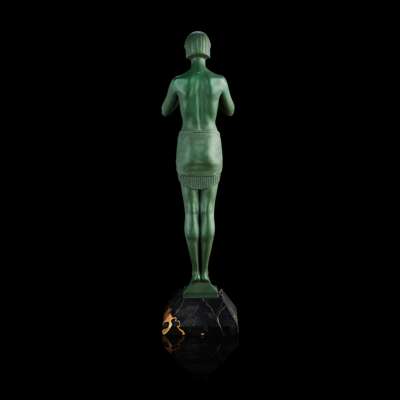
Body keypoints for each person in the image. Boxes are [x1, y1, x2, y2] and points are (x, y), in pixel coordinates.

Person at [162, 31, 235, 297]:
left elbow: (164, 110)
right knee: (209, 211)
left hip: (188, 148)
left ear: (188, 50)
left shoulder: (179, 81)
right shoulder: (219, 80)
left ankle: (195, 275)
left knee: (191, 212)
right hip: (211, 147)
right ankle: (206, 275)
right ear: (207, 50)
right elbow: (231, 110)